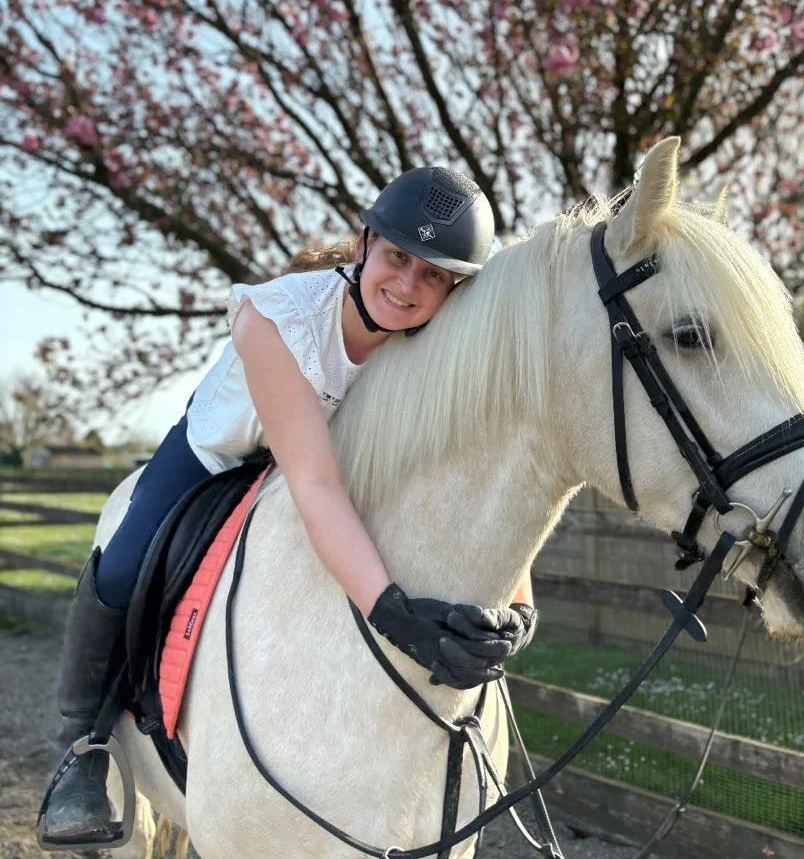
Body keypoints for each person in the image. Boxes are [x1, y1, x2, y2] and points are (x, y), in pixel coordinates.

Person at [38, 167, 539, 848]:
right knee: (124, 562)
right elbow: (314, 486)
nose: (408, 286)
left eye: (433, 276)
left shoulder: (438, 342)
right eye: (398, 258)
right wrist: (393, 613)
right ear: (366, 244)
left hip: (332, 463)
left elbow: (477, 474)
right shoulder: (278, 317)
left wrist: (517, 602)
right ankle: (80, 749)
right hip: (223, 454)